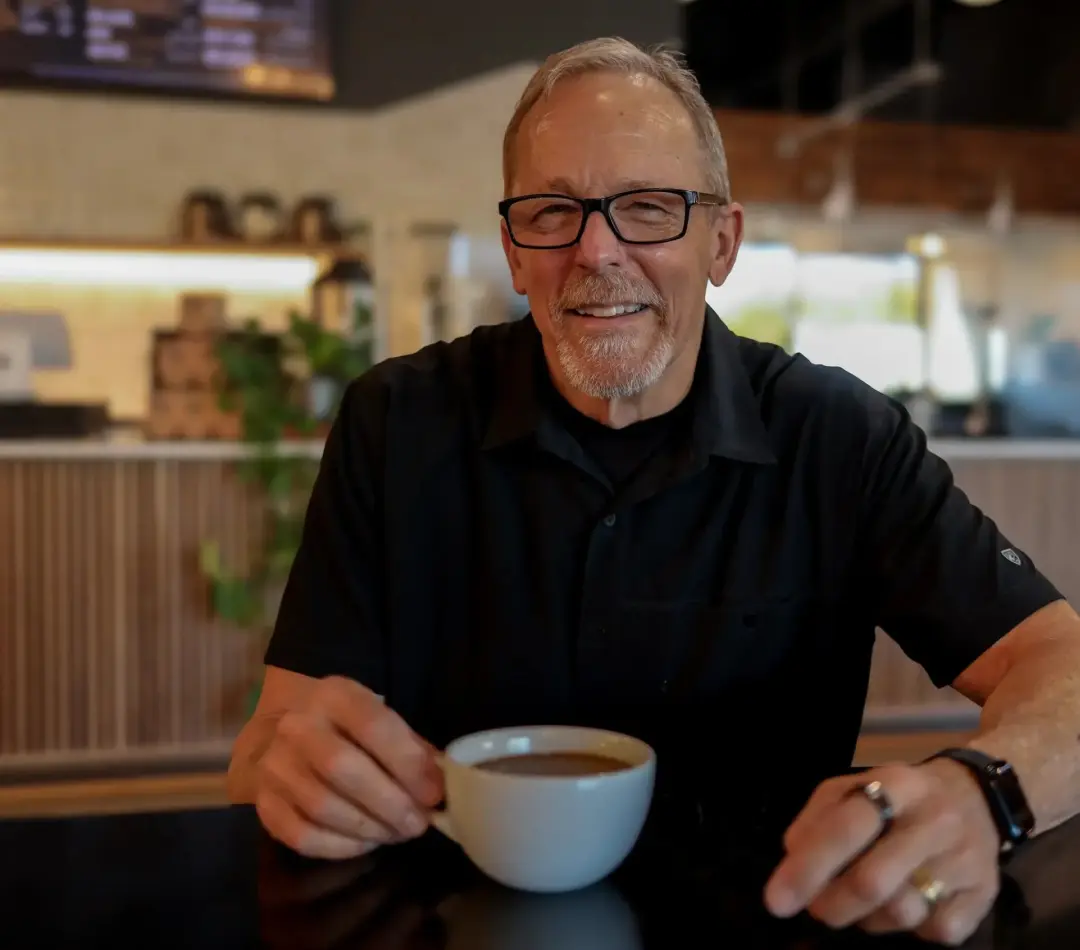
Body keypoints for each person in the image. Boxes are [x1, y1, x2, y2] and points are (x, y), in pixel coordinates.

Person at [228, 37, 1080, 945]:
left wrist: (986, 792)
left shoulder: (837, 437)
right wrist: (293, 766)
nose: (598, 249)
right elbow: (272, 742)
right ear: (517, 250)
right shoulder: (396, 423)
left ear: (723, 242)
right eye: (554, 212)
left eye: (648, 207)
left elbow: (1061, 665)